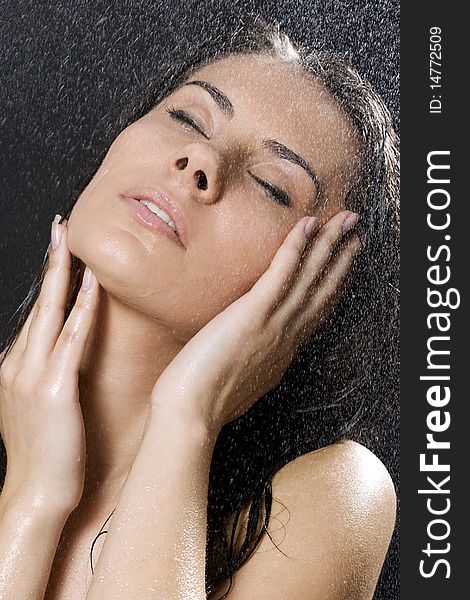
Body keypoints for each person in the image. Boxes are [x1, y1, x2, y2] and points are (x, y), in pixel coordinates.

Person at [0, 14, 399, 600]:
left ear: (318, 289)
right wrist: (32, 499)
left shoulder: (330, 495)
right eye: (187, 118)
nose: (199, 162)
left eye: (271, 184)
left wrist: (189, 415)